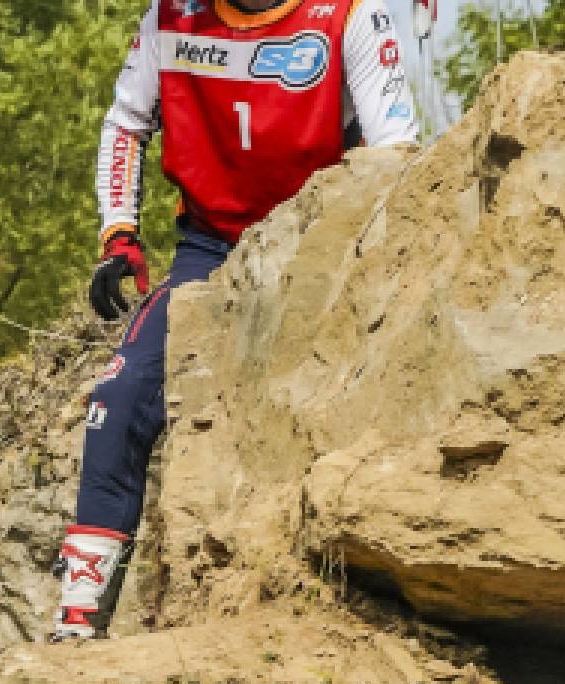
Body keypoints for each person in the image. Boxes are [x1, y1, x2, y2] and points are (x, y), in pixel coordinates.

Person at [50, 0, 422, 641]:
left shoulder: (352, 14)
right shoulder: (170, 17)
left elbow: (397, 157)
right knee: (120, 393)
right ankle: (78, 617)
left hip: (321, 238)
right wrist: (119, 234)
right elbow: (125, 125)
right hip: (211, 250)